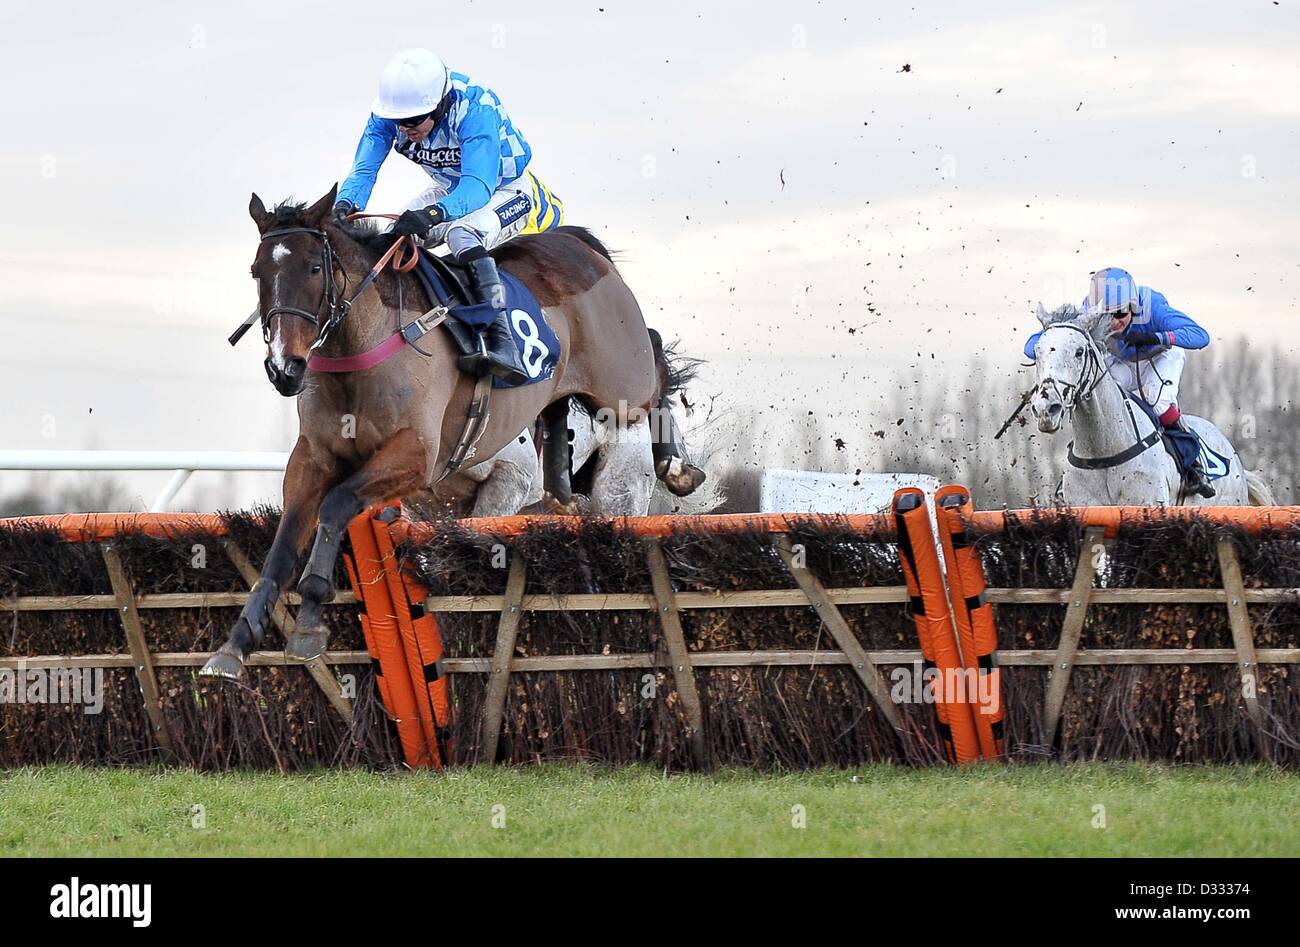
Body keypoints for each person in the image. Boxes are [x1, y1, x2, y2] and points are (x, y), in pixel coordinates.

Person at [335, 49, 565, 384]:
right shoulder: (388, 114)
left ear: (441, 105)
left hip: (505, 189)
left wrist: (433, 214)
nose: (405, 129)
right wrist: (345, 207)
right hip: (452, 186)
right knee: (394, 237)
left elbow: (478, 185)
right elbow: (365, 169)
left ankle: (503, 342)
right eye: (399, 122)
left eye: (413, 122)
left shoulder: (475, 108)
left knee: (461, 235)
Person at [1024, 267, 1216, 497]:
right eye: (1106, 315)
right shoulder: (1087, 313)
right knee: (1105, 401)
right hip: (1123, 361)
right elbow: (1031, 347)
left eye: (1120, 313)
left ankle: (1194, 465)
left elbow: (1200, 335)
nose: (1114, 322)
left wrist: (1158, 336)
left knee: (1159, 402)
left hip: (1160, 356)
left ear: (1134, 305)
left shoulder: (1152, 305)